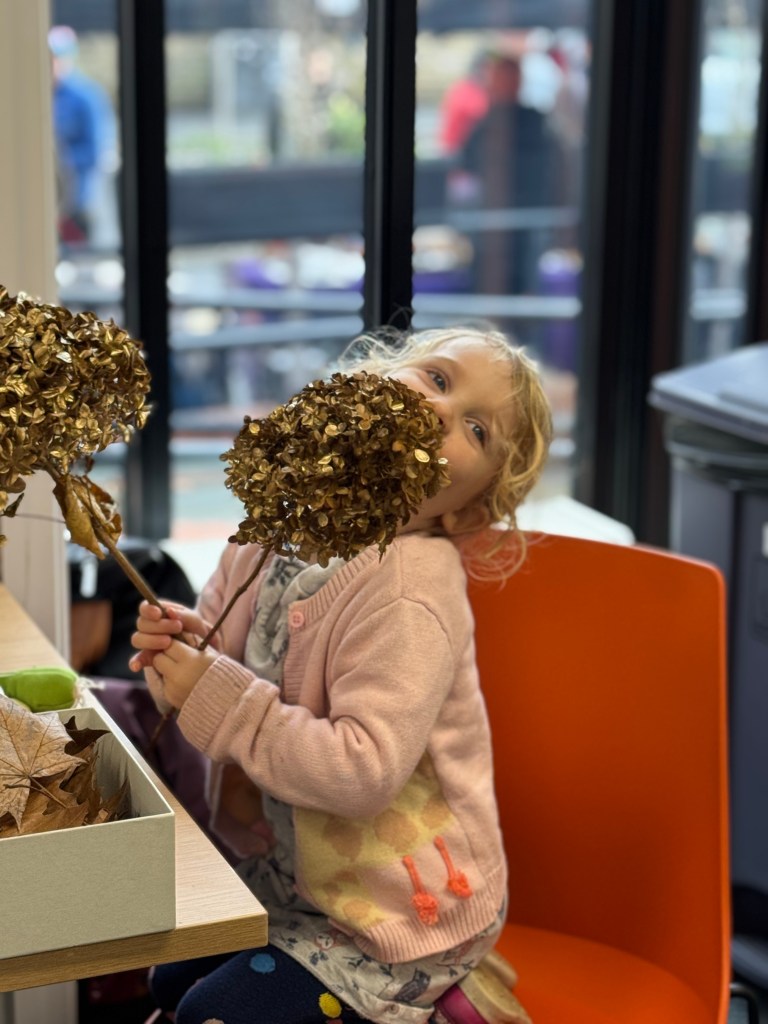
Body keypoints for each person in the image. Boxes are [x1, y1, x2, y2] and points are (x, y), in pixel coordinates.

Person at [130, 325, 553, 1024]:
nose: (442, 410)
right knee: (164, 982)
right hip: (291, 879)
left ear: (469, 507)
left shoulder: (411, 590)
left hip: (394, 915)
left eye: (475, 428)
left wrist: (215, 695)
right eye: (438, 379)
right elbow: (218, 679)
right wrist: (179, 652)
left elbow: (362, 772)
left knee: (213, 1013)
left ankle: (438, 990)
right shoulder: (276, 521)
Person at [49, 25, 116, 244]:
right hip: (46, 203)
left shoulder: (86, 97)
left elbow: (96, 151)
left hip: (77, 203)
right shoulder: (42, 95)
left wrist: (58, 163)